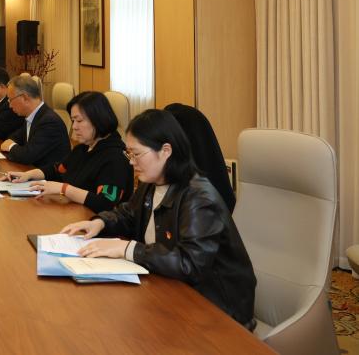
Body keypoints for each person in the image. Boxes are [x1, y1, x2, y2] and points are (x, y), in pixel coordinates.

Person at [61, 109, 256, 330]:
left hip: (218, 310)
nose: (131, 162)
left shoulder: (199, 198)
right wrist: (100, 222)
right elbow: (128, 214)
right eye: (129, 154)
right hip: (171, 289)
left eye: (136, 154)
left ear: (165, 151)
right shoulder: (153, 182)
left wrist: (128, 249)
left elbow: (190, 264)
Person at [4, 91, 131, 211]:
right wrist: (29, 175)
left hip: (94, 221)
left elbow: (105, 203)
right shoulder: (83, 148)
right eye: (73, 121)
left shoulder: (116, 158)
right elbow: (58, 170)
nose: (74, 127)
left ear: (98, 119)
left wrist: (64, 189)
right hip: (72, 212)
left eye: (79, 120)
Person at [0, 74, 69, 167]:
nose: (10, 105)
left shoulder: (49, 122)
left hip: (47, 175)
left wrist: (10, 146)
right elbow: (15, 137)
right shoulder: (32, 116)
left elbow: (27, 156)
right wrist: (11, 144)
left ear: (24, 97)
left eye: (10, 100)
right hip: (30, 170)